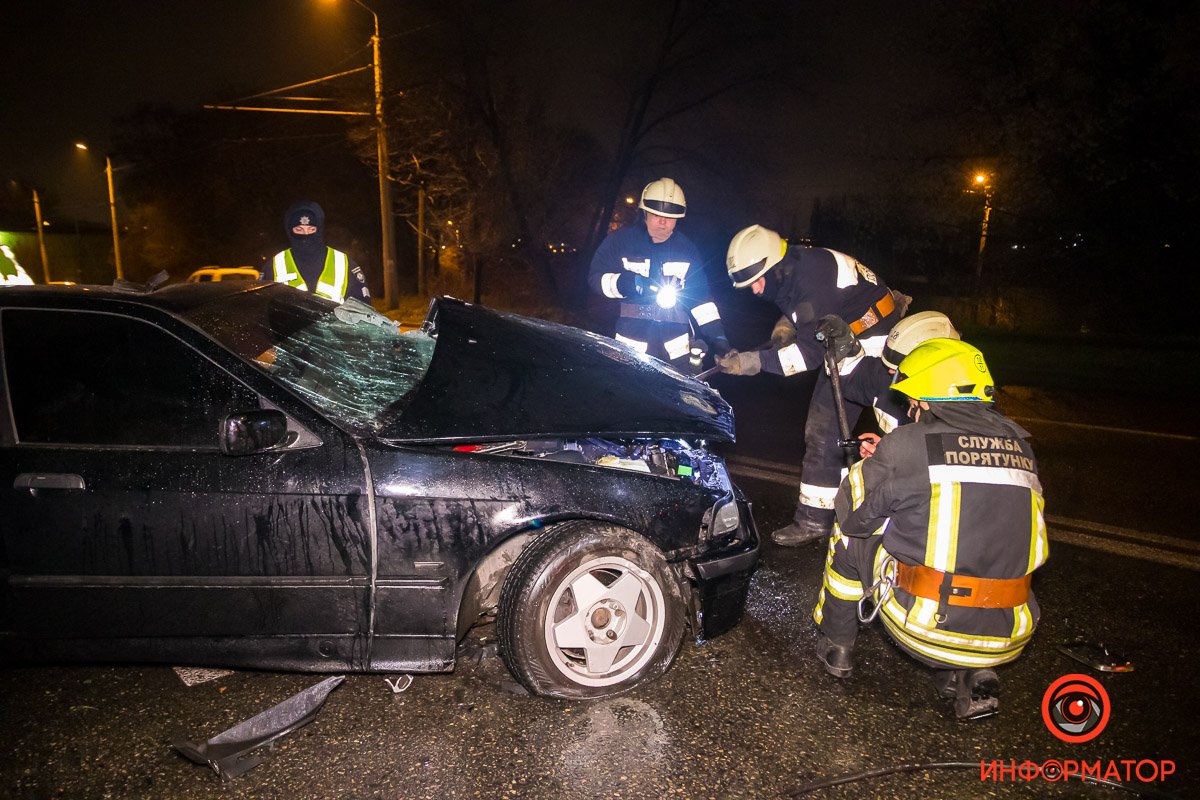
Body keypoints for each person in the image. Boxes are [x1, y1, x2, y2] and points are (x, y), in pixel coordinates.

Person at [811, 338, 1048, 719]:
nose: (909, 409)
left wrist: (871, 467)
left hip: (926, 626)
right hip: (1011, 632)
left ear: (924, 400)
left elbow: (854, 512)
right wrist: (893, 459)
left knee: (850, 534)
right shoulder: (1021, 448)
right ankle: (969, 671)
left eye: (911, 402)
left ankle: (837, 643)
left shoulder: (907, 444)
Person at [720, 225, 905, 545]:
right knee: (822, 428)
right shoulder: (789, 271)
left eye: (756, 281)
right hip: (840, 343)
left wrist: (753, 362)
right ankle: (814, 519)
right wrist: (782, 330)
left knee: (895, 426)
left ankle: (908, 508)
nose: (754, 290)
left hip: (876, 342)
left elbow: (806, 356)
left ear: (773, 267)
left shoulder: (812, 276)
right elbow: (803, 314)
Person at [588, 178, 731, 370]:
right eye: (657, 216)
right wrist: (625, 283)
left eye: (670, 218)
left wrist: (719, 340)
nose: (663, 223)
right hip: (630, 349)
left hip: (676, 353)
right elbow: (595, 277)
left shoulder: (686, 250)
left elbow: (702, 300)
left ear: (679, 218)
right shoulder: (620, 243)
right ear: (644, 213)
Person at [270, 201, 371, 304]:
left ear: (319, 229)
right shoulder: (273, 266)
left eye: (311, 229)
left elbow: (362, 310)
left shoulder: (345, 264)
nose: (306, 235)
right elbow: (261, 311)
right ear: (290, 231)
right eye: (299, 229)